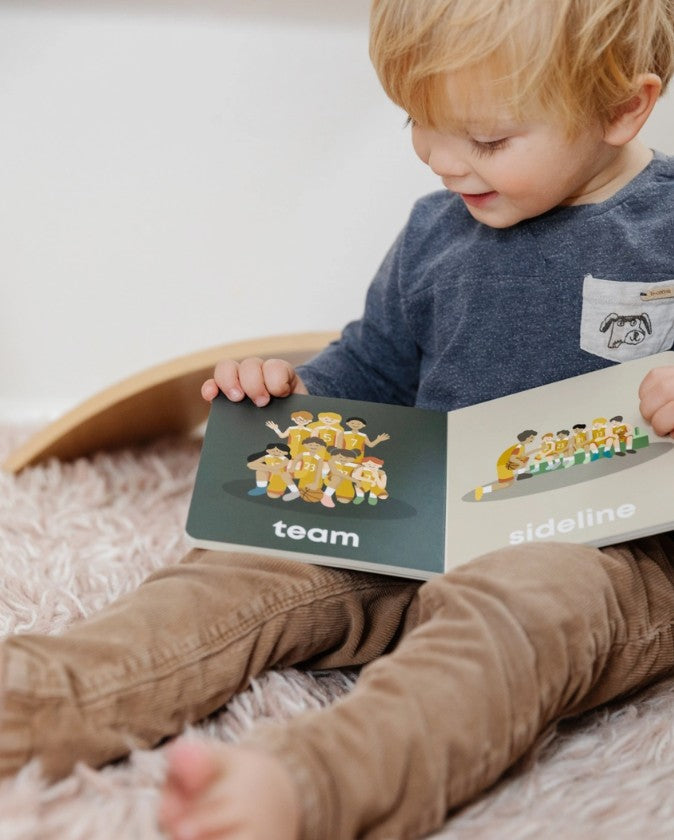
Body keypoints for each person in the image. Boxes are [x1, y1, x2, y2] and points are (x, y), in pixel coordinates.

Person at [1, 2, 674, 839]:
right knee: (243, 568)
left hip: (603, 557)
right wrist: (292, 398)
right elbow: (372, 369)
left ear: (623, 108)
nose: (439, 158)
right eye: (417, 122)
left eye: (488, 139)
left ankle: (312, 783)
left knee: (516, 612)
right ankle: (35, 699)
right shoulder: (439, 229)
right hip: (418, 523)